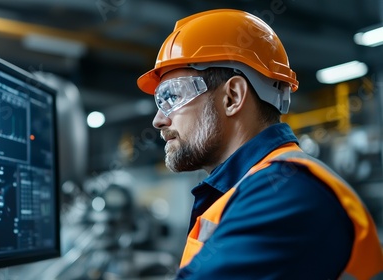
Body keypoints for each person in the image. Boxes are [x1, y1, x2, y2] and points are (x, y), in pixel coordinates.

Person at [137, 9, 383, 279]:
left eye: (171, 97)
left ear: (232, 97)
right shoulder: (246, 189)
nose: (159, 120)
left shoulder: (285, 193)